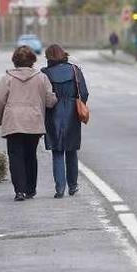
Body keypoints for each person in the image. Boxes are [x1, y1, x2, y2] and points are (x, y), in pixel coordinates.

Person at [0, 46, 58, 201]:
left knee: (15, 156)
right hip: (33, 122)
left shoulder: (7, 78)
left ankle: (19, 191)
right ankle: (30, 189)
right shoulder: (41, 77)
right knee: (30, 155)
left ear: (15, 61)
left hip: (13, 122)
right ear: (32, 61)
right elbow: (50, 100)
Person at [42, 44, 89, 198]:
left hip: (53, 112)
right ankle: (73, 186)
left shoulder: (45, 73)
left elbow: (42, 96)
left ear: (49, 57)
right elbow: (84, 92)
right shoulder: (74, 70)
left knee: (57, 151)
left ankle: (60, 188)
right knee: (71, 150)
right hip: (71, 113)